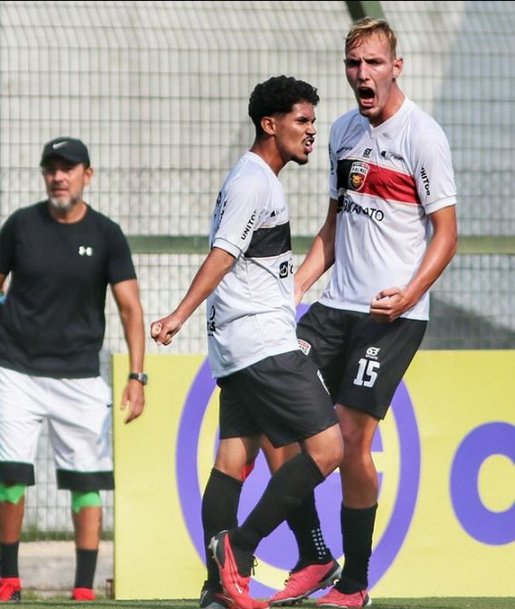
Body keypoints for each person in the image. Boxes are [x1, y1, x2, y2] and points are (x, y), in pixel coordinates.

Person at [268, 18, 457, 609]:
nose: (362, 74)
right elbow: (332, 228)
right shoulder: (342, 132)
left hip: (391, 316)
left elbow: (447, 234)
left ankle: (355, 584)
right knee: (272, 409)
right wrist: (296, 287)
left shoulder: (423, 136)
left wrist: (410, 293)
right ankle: (314, 554)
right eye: (354, 64)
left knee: (352, 439)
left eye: (373, 63)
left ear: (396, 67)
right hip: (333, 308)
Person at [150, 75, 343, 609]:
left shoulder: (256, 178)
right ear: (270, 124)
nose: (311, 131)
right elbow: (224, 253)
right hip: (262, 342)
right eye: (302, 121)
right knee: (328, 448)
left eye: (313, 121)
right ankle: (239, 548)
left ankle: (219, 590)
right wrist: (179, 314)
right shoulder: (253, 182)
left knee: (232, 461)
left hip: (238, 344)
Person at [0, 137, 146, 602]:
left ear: (88, 174)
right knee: (10, 475)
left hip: (81, 376)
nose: (58, 177)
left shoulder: (107, 234)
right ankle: (7, 580)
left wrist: (137, 377)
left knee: (86, 485)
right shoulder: (20, 226)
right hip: (15, 370)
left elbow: (130, 308)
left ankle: (83, 588)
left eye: (67, 168)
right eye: (51, 169)